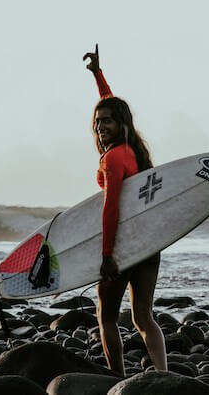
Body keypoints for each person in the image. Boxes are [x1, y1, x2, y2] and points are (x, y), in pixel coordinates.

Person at [83, 44, 167, 375]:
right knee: (143, 315)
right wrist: (98, 75)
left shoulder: (113, 158)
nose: (100, 125)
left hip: (123, 246)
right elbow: (113, 106)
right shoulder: (133, 152)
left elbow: (112, 205)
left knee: (105, 316)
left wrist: (107, 256)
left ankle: (116, 378)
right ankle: (162, 374)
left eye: (106, 122)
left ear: (121, 124)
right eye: (97, 121)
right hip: (148, 244)